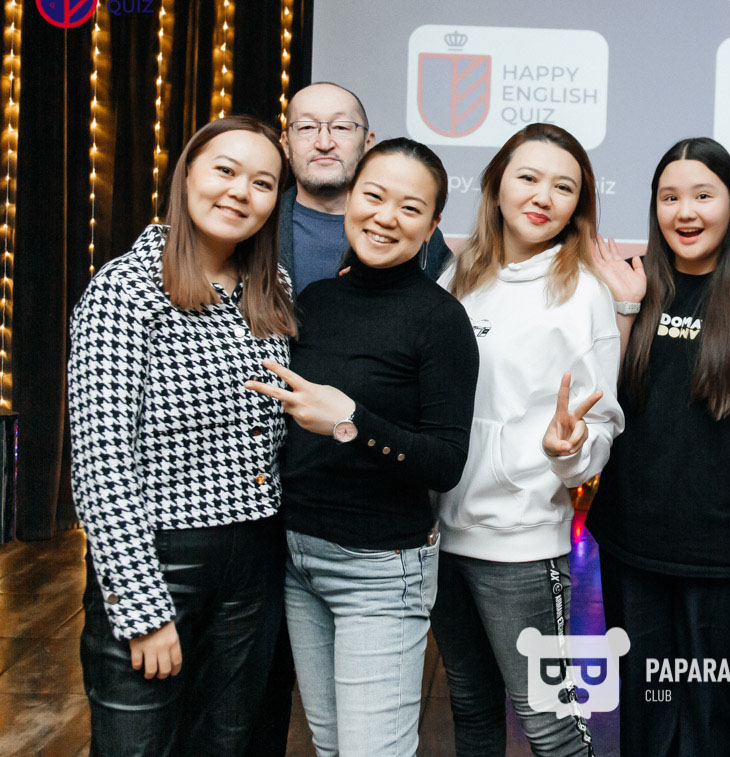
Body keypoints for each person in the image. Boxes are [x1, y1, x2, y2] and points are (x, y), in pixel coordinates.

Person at [68, 115, 296, 754]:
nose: (240, 192)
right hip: (161, 557)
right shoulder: (124, 291)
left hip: (254, 560)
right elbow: (102, 464)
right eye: (225, 170)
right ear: (187, 175)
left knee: (226, 743)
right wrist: (142, 610)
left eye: (262, 182)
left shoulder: (271, 288)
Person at [245, 138, 478, 756]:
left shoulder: (441, 320)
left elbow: (445, 463)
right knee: (328, 744)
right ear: (351, 198)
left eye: (410, 208)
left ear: (432, 224)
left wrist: (351, 419)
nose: (385, 217)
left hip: (380, 569)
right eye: (374, 195)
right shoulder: (316, 301)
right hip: (299, 556)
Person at [585, 137, 730, 755]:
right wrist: (625, 308)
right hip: (633, 544)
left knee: (714, 716)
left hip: (727, 552)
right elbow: (602, 402)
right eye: (669, 197)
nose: (685, 212)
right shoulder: (626, 282)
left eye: (703, 196)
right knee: (646, 713)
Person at [432, 122, 624, 756]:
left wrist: (571, 452)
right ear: (495, 185)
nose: (543, 196)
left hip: (521, 542)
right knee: (470, 708)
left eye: (564, 187)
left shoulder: (584, 294)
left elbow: (600, 422)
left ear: (578, 205)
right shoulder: (456, 277)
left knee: (550, 724)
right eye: (529, 177)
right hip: (440, 537)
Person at [279, 81, 451, 289]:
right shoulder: (260, 226)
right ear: (286, 144)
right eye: (306, 127)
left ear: (368, 142)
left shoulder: (417, 234)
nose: (324, 143)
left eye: (341, 127)